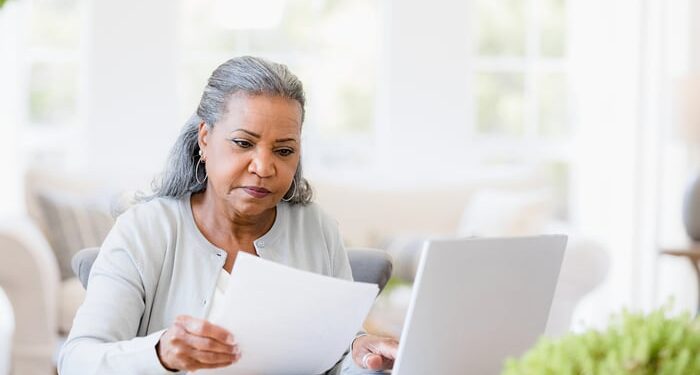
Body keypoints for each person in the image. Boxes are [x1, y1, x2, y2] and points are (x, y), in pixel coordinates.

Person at [58, 56, 398, 374]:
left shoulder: (316, 228)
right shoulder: (145, 229)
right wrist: (160, 354)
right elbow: (77, 360)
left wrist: (362, 353)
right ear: (205, 139)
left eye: (284, 150)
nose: (264, 167)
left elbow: (339, 355)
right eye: (243, 143)